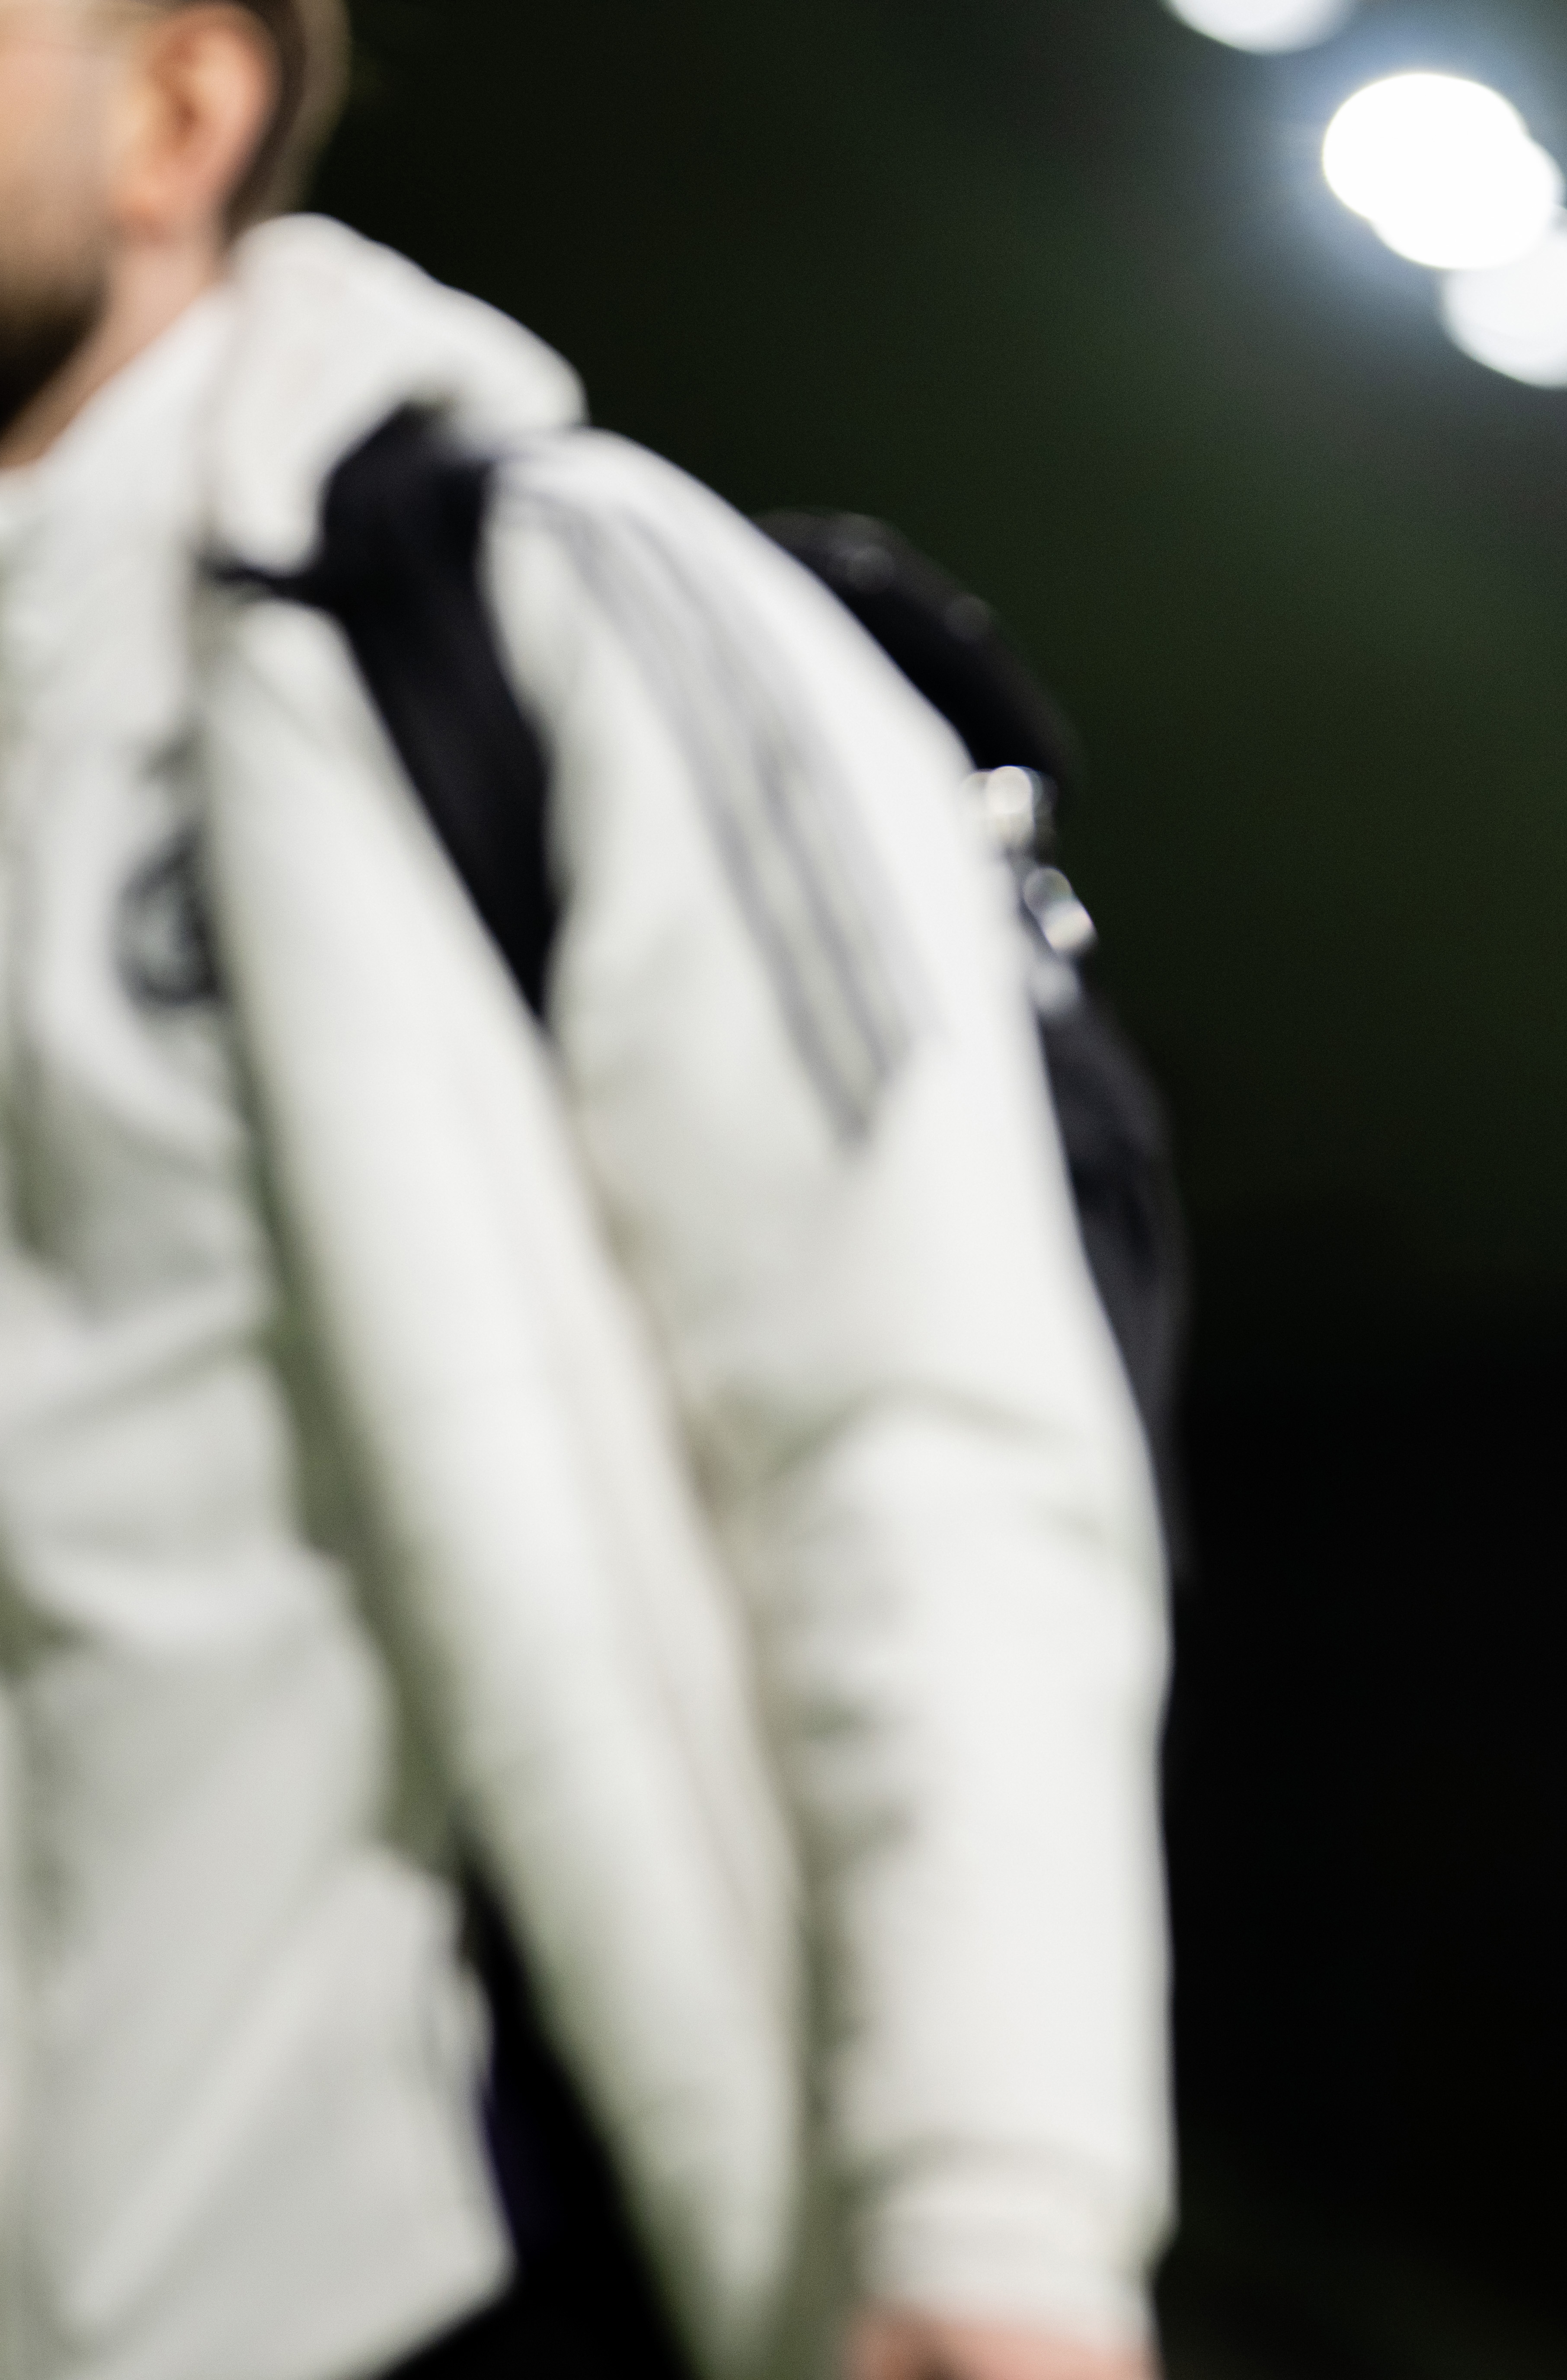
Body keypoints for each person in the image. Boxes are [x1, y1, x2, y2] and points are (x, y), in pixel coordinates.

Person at [0, 7, 1169, 2379]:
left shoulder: (527, 593)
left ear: (177, 114)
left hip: (447, 2273)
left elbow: (914, 1398)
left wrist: (996, 2192)